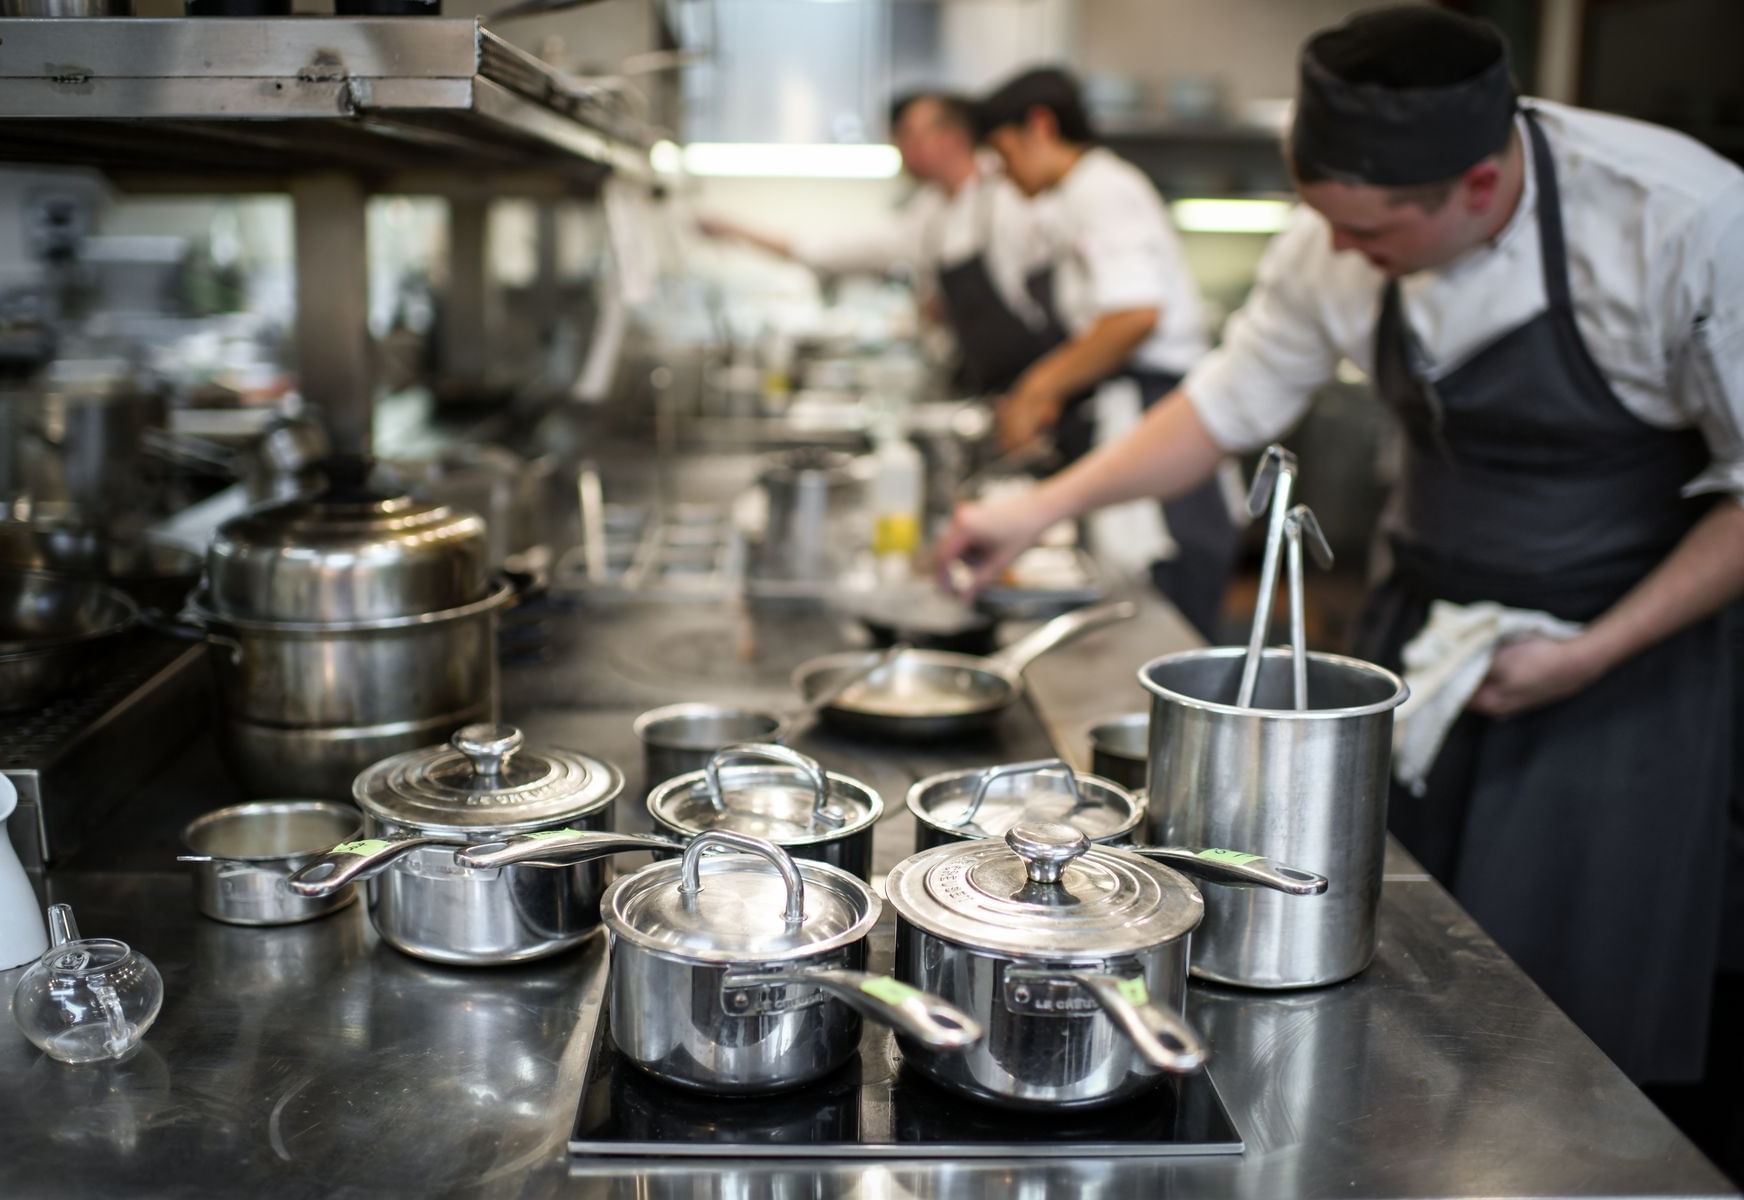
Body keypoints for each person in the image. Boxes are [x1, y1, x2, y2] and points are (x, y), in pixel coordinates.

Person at [937, 5, 1744, 1088]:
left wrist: (1595, 651)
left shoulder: (1684, 222)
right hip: (1420, 629)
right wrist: (1030, 515)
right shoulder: (1337, 238)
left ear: (1480, 187)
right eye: (1330, 224)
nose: (1346, 255)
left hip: (1626, 645)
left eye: (1372, 237)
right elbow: (1226, 406)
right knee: (1391, 952)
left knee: (1571, 1010)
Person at [971, 66, 1240, 637]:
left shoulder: (1103, 189)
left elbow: (1134, 316)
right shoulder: (1071, 198)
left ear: (1039, 127)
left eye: (1003, 150)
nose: (1002, 171)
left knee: (1170, 613)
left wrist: (1040, 387)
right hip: (1136, 408)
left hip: (1162, 416)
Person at [699, 91, 1050, 395]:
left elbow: (1045, 306)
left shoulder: (1009, 196)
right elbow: (835, 249)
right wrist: (737, 232)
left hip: (1040, 378)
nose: (899, 145)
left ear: (952, 138)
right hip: (987, 383)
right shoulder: (929, 212)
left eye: (910, 134)